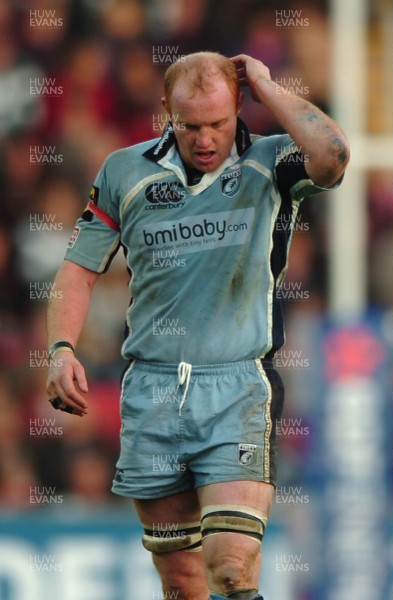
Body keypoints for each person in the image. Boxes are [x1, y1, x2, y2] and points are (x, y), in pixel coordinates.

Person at [46, 52, 349, 600]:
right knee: (182, 583)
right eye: (190, 125)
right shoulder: (123, 171)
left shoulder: (272, 161)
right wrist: (61, 348)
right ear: (166, 111)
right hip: (153, 390)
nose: (205, 138)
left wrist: (265, 84)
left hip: (236, 385)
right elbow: (78, 270)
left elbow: (333, 155)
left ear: (238, 107)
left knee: (232, 568)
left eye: (218, 123)